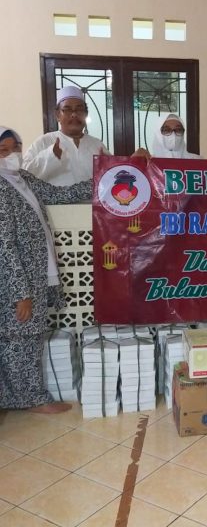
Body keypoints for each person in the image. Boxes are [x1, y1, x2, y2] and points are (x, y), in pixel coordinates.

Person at [0, 126, 92, 413]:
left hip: (36, 273)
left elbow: (63, 194)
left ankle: (20, 397)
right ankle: (31, 400)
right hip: (18, 280)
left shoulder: (22, 178)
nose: (12, 154)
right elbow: (4, 246)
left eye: (15, 148)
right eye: (3, 150)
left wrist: (108, 176)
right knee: (21, 338)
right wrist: (21, 294)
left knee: (29, 336)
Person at [23, 86, 109, 185]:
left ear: (86, 114)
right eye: (67, 110)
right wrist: (50, 156)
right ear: (57, 115)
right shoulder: (44, 142)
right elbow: (24, 176)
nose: (74, 115)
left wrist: (109, 165)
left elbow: (112, 178)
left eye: (79, 109)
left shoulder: (97, 145)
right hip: (54, 196)